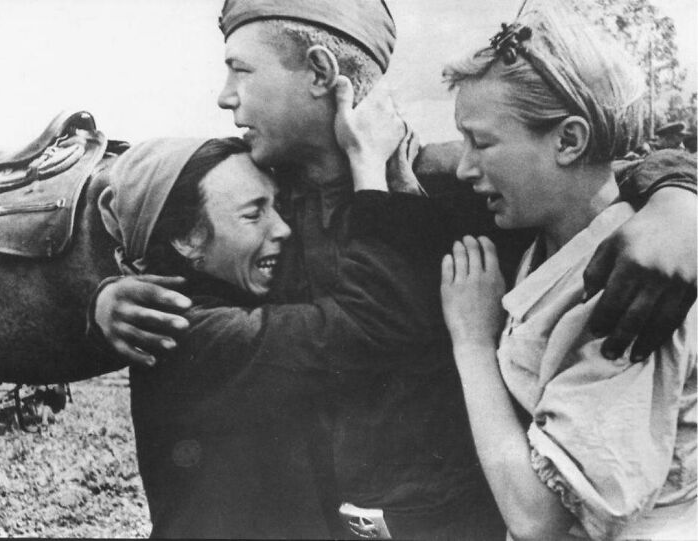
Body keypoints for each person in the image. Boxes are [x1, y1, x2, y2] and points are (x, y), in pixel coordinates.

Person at [92, 1, 697, 539]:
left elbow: (601, 175)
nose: (224, 95)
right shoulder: (267, 207)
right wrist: (103, 300)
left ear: (321, 73)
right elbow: (170, 256)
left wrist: (678, 201)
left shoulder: (449, 187)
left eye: (241, 69)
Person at [437, 4, 696, 540]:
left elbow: (539, 519)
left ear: (569, 141)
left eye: (481, 143)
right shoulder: (555, 233)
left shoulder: (626, 277)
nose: (464, 167)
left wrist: (470, 342)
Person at [96, 137, 337, 538]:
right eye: (253, 213)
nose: (283, 227)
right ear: (188, 237)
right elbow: (370, 323)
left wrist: (101, 298)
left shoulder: (221, 294)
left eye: (277, 206)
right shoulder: (197, 332)